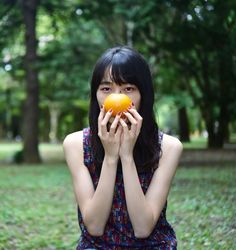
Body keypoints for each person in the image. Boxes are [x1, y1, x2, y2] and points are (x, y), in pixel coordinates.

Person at [63, 46, 183, 250]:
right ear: (96, 95)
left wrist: (126, 156)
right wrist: (111, 158)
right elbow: (94, 226)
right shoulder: (76, 144)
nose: (116, 98)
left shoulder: (168, 147)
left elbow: (143, 228)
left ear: (143, 94)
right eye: (106, 89)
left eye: (128, 89)